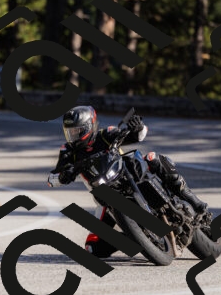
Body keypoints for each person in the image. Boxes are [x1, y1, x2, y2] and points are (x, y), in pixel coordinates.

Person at [47, 105, 207, 257]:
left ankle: (193, 200)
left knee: (152, 158)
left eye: (77, 131)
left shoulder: (105, 134)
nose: (73, 136)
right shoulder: (68, 151)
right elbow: (52, 178)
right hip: (103, 197)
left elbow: (139, 135)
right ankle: (137, 238)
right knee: (92, 248)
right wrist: (63, 175)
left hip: (125, 172)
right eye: (70, 132)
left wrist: (138, 127)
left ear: (90, 127)